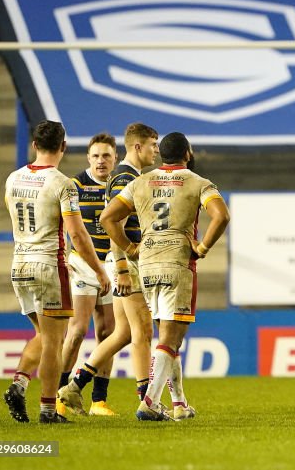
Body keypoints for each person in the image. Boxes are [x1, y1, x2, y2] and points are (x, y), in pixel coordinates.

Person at [100, 131, 230, 421]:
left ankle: (180, 403)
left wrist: (129, 248)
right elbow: (221, 216)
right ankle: (149, 402)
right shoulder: (198, 183)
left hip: (147, 264)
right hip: (177, 263)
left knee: (167, 340)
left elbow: (107, 217)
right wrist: (204, 247)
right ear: (187, 154)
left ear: (161, 154)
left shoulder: (140, 182)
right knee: (171, 339)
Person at [2, 120, 110, 424]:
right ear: (63, 147)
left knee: (44, 334)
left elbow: (11, 210)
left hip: (19, 263)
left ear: (35, 145)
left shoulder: (13, 178)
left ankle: (19, 384)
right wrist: (98, 270)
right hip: (48, 264)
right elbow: (76, 233)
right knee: (54, 341)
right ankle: (48, 409)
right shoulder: (63, 183)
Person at [58, 123, 170, 416]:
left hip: (122, 264)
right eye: (152, 145)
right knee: (142, 331)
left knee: (120, 332)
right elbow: (112, 222)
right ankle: (148, 402)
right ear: (137, 147)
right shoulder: (125, 177)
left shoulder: (129, 176)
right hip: (126, 265)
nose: (156, 151)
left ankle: (73, 386)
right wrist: (122, 263)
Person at [56, 133, 119, 417]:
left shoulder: (121, 186)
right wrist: (63, 254)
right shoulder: (75, 185)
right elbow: (59, 222)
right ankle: (60, 394)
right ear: (88, 158)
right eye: (95, 156)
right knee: (78, 330)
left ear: (115, 157)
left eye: (106, 155)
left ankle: (98, 401)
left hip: (113, 264)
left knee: (108, 332)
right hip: (82, 263)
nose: (101, 161)